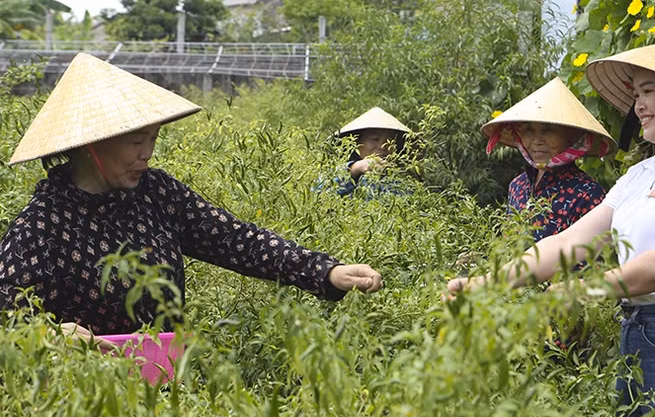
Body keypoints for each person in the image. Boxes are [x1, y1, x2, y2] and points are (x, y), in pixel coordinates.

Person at [447, 36, 655, 417]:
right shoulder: (640, 175)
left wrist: (579, 292)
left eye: (648, 91)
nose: (638, 105)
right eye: (636, 93)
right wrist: (483, 283)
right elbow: (566, 243)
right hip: (637, 333)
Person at [0, 53, 382, 345]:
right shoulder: (38, 229)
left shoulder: (156, 193)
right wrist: (49, 336)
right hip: (87, 410)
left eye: (153, 139)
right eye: (136, 142)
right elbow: (12, 326)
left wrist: (324, 271)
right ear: (90, 146)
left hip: (167, 385)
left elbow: (236, 240)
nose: (146, 154)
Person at [481, 77, 615, 241]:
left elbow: (593, 258)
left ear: (571, 137)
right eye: (529, 131)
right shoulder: (517, 186)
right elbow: (507, 246)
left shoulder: (588, 194)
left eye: (548, 130)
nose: (537, 141)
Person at [332, 107, 411, 197]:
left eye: (390, 141)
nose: (382, 146)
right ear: (358, 143)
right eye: (375, 139)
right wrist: (355, 168)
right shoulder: (336, 172)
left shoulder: (404, 180)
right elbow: (320, 191)